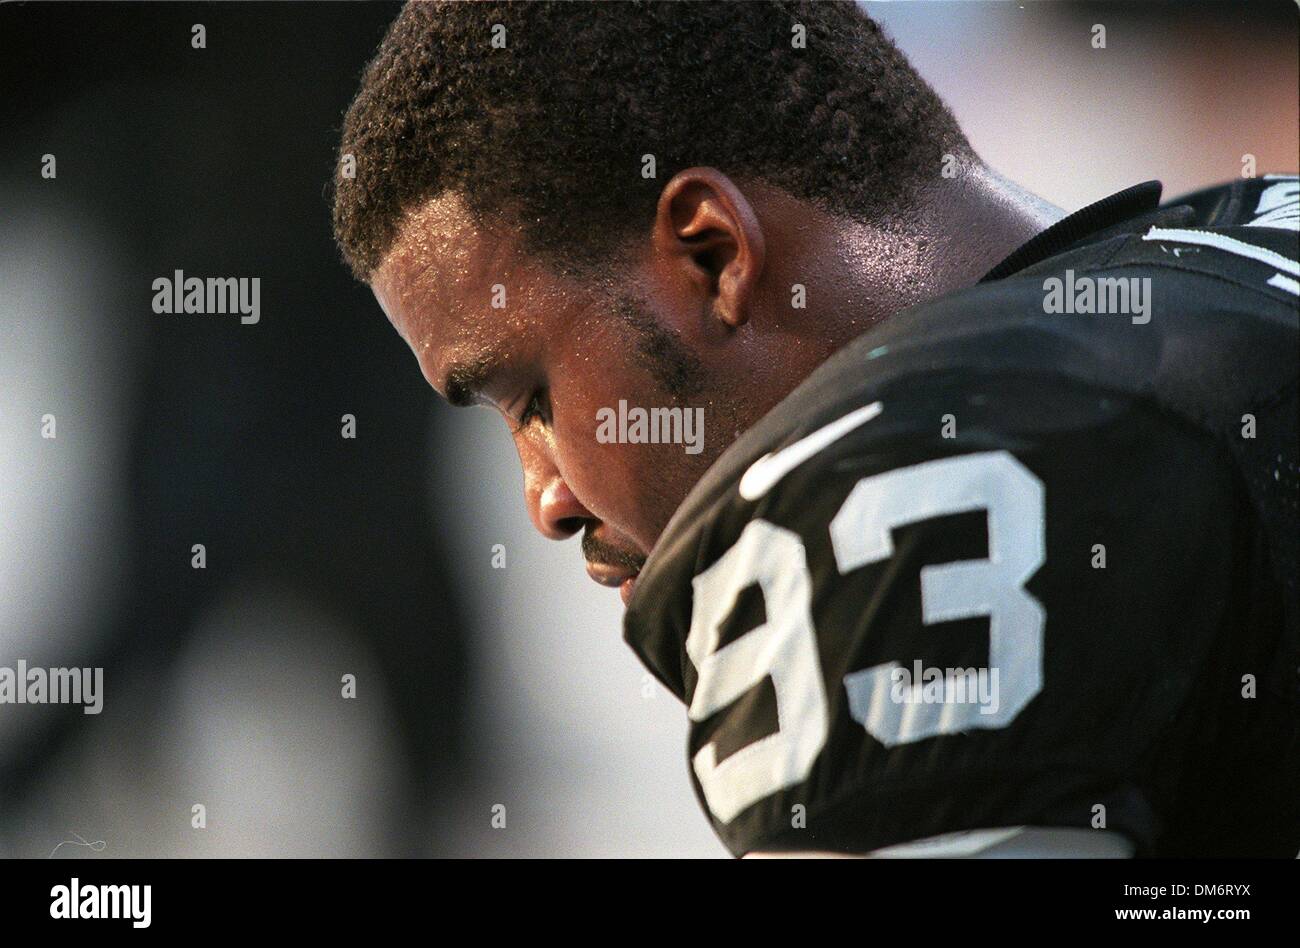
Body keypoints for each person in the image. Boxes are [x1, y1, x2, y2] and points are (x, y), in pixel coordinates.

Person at [332, 1, 1299, 857]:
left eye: (531, 398)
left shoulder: (907, 495)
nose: (544, 501)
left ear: (712, 252)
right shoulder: (1252, 236)